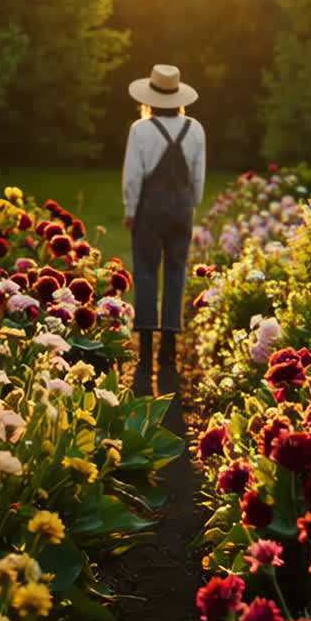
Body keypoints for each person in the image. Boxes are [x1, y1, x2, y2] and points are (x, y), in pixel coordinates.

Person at [122, 63, 206, 385]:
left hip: (149, 210)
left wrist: (131, 209)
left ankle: (144, 351)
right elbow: (198, 175)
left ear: (150, 98)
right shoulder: (195, 129)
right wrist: (190, 204)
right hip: (182, 208)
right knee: (176, 272)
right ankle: (168, 351)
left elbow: (132, 177)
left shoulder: (140, 130)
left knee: (145, 271)